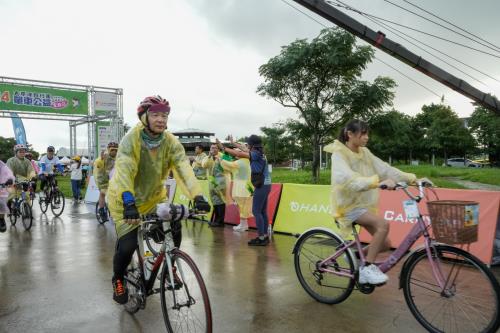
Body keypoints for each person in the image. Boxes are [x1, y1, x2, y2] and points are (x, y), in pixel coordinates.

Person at [107, 95, 209, 304]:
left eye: (164, 115)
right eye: (155, 115)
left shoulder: (170, 141)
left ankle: (170, 263)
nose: (161, 119)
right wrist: (128, 202)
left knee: (174, 225)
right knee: (126, 247)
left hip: (154, 199)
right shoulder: (131, 139)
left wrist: (197, 196)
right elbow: (125, 171)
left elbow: (184, 169)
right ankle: (118, 278)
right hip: (125, 200)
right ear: (144, 116)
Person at [324, 119, 430, 285]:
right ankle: (367, 269)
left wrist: (414, 180)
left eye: (367, 133)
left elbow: (385, 169)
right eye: (363, 133)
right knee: (383, 225)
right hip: (346, 205)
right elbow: (347, 179)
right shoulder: (339, 154)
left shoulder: (364, 152)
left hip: (362, 205)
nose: (367, 137)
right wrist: (376, 182)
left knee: (385, 244)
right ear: (350, 134)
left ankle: (355, 256)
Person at [219, 135, 271, 246]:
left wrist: (223, 148)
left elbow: (239, 154)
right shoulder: (260, 153)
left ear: (252, 145)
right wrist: (234, 143)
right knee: (262, 212)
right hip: (267, 184)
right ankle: (265, 236)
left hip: (261, 186)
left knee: (257, 211)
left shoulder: (255, 154)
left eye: (248, 144)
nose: (247, 146)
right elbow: (243, 149)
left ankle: (261, 237)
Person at [220, 143, 253, 232]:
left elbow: (226, 165)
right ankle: (244, 225)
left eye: (236, 153)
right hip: (248, 186)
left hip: (241, 187)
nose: (235, 155)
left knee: (241, 206)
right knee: (245, 206)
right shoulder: (248, 161)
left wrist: (221, 158)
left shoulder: (239, 163)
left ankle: (243, 225)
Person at [202, 144, 229, 227]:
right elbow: (204, 166)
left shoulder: (223, 156)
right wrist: (209, 156)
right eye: (212, 148)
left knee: (220, 200)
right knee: (214, 200)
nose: (213, 149)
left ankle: (220, 221)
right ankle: (216, 220)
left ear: (218, 149)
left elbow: (229, 164)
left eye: (215, 148)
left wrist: (221, 160)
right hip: (212, 181)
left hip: (220, 181)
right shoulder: (207, 157)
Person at [93, 142, 119, 222]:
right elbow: (98, 166)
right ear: (108, 149)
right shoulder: (104, 157)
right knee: (103, 193)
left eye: (115, 149)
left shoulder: (119, 157)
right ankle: (101, 210)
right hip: (102, 178)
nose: (114, 151)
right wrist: (101, 160)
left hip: (114, 178)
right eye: (112, 149)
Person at [6, 144, 37, 209]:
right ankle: (9, 208)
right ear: (16, 152)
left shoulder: (27, 161)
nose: (22, 153)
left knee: (26, 195)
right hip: (13, 179)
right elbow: (9, 171)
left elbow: (31, 170)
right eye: (20, 152)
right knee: (10, 196)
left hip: (24, 180)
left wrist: (33, 177)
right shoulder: (11, 160)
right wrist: (10, 179)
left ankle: (27, 208)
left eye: (23, 152)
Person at [0, 160, 15, 233]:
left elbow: (8, 173)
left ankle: (1, 219)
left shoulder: (1, 164)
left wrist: (10, 179)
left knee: (1, 203)